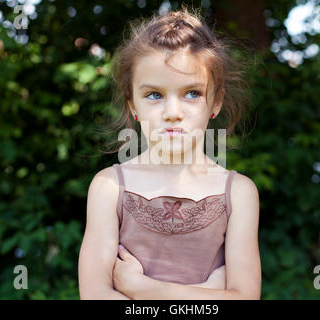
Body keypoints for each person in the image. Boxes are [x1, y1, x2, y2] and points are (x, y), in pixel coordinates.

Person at [78, 6, 261, 300]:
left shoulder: (238, 193)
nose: (173, 113)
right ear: (132, 105)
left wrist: (145, 289)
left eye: (192, 93)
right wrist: (206, 294)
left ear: (215, 102)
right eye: (154, 95)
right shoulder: (109, 188)